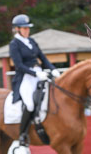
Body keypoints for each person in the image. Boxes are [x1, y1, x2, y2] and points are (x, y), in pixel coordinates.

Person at [9, 14, 60, 146]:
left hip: (39, 74)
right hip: (25, 78)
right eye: (24, 28)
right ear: (17, 29)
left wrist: (53, 69)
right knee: (30, 104)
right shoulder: (14, 44)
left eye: (28, 28)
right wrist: (35, 74)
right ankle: (22, 134)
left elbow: (42, 58)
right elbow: (19, 66)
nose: (27, 30)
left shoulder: (31, 41)